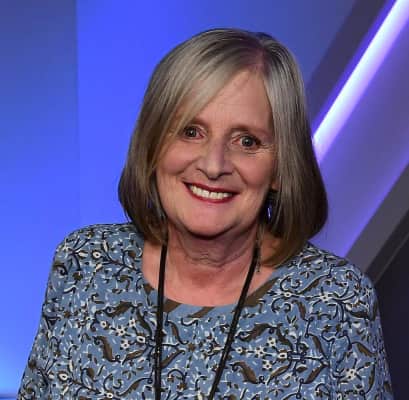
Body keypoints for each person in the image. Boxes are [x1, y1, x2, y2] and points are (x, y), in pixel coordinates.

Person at [18, 28, 392, 399]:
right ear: (152, 145)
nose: (214, 165)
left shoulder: (337, 298)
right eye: (191, 132)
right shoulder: (85, 264)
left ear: (281, 167)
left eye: (247, 141)